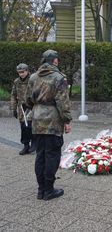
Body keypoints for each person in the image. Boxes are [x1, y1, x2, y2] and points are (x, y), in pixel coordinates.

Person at [25, 49, 72, 200]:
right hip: (53, 120)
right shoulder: (59, 78)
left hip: (37, 119)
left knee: (40, 155)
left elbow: (27, 100)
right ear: (55, 61)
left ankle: (41, 190)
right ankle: (49, 190)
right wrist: (67, 120)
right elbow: (62, 102)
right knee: (52, 155)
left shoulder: (33, 77)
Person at [10, 63, 34, 155]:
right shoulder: (17, 82)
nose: (21, 74)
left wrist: (31, 103)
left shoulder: (32, 80)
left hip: (31, 107)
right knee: (23, 127)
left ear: (27, 71)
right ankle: (26, 145)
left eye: (23, 72)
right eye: (19, 72)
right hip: (21, 108)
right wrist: (13, 108)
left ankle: (34, 144)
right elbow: (13, 95)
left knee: (31, 126)